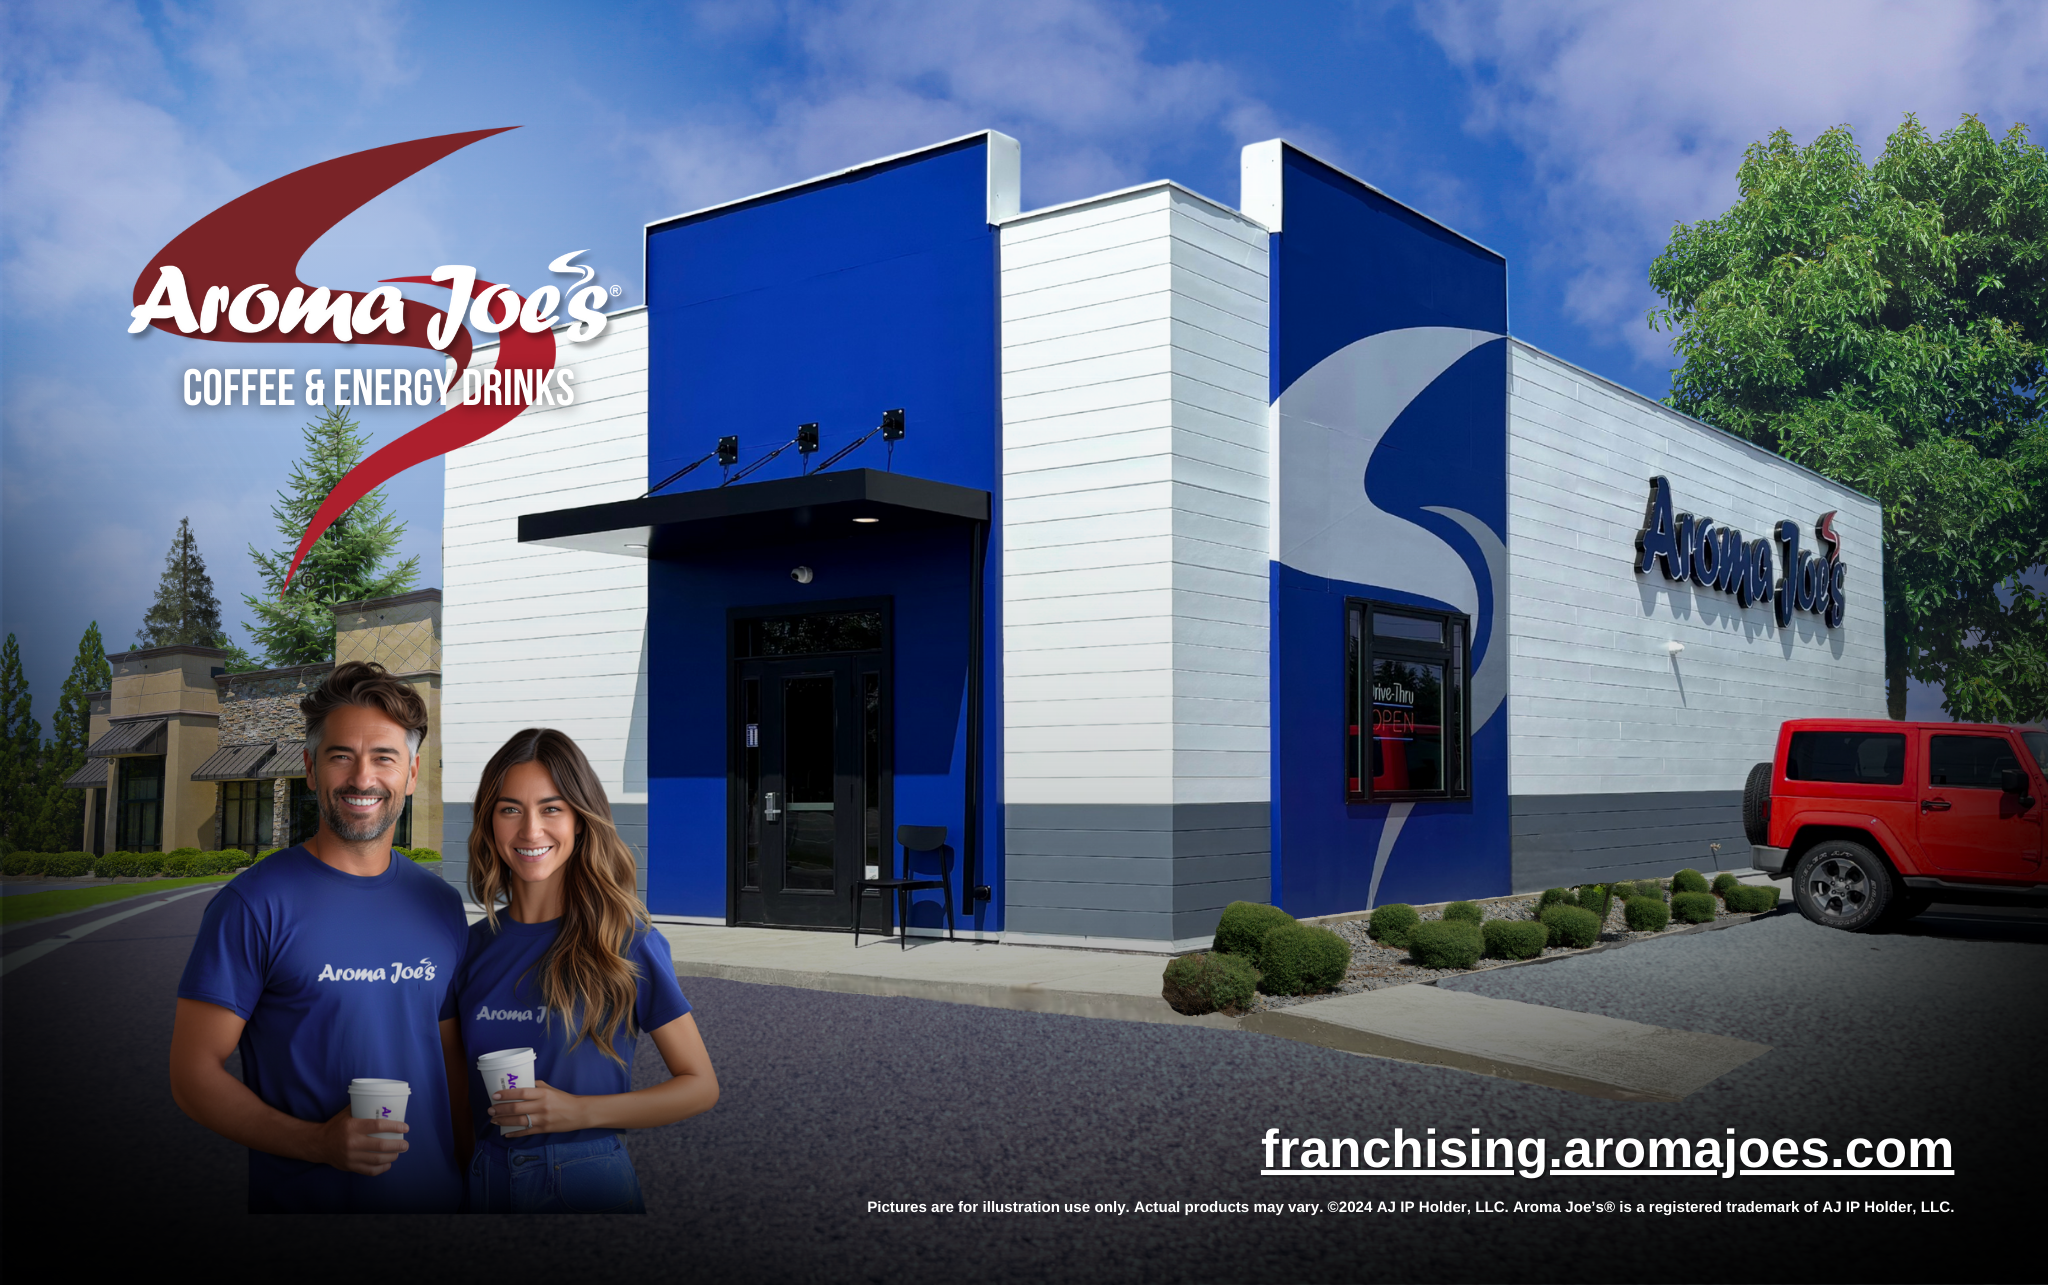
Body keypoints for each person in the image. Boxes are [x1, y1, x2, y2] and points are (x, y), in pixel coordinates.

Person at [170, 661, 469, 1212]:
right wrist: (317, 1144)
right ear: (310, 768)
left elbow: (449, 1057)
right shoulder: (252, 905)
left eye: (384, 757)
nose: (362, 778)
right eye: (340, 756)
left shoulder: (442, 905)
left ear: (412, 772)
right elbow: (193, 1075)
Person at [456, 727, 717, 1213]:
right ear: (489, 823)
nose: (530, 830)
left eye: (551, 808)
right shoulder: (470, 948)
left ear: (580, 819)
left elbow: (700, 1085)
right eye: (510, 809)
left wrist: (579, 1111)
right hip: (485, 1178)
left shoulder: (626, 942)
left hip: (587, 1178)